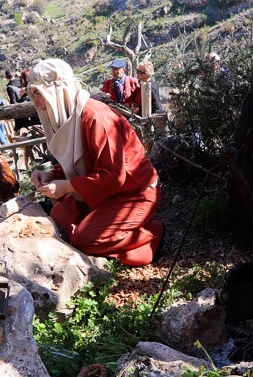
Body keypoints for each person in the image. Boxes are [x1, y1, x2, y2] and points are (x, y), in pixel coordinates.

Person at [27, 59, 164, 267]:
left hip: (134, 193)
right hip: (105, 192)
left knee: (86, 240)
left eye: (39, 94)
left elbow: (113, 175)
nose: (36, 103)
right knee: (59, 216)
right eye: (32, 95)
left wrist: (69, 186)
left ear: (57, 92)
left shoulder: (96, 117)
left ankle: (151, 234)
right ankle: (106, 228)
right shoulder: (71, 117)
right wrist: (52, 176)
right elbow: (80, 159)